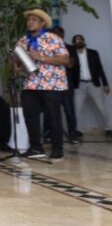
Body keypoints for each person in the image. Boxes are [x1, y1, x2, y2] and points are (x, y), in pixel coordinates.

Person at [15, 9, 69, 161]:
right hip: (30, 84)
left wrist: (42, 57)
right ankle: (35, 147)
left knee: (53, 117)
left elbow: (65, 60)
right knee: (30, 116)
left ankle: (57, 149)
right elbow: (16, 59)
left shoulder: (53, 38)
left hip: (52, 84)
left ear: (42, 23)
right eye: (28, 20)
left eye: (34, 19)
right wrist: (17, 67)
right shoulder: (23, 41)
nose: (30, 22)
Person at [70, 34, 111, 138]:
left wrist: (105, 84)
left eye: (80, 39)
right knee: (77, 109)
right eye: (76, 40)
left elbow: (100, 68)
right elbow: (70, 71)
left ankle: (109, 128)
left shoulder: (93, 53)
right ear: (74, 43)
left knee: (102, 108)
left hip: (94, 84)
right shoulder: (71, 55)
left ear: (84, 41)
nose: (79, 41)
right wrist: (72, 87)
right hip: (79, 85)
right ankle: (78, 131)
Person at [43, 27, 80, 143]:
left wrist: (52, 60)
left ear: (62, 36)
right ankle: (48, 134)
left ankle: (72, 133)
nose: (55, 36)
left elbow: (69, 64)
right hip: (50, 82)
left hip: (65, 82)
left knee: (69, 109)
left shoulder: (70, 48)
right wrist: (58, 60)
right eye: (53, 34)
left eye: (58, 34)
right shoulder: (46, 48)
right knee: (48, 110)